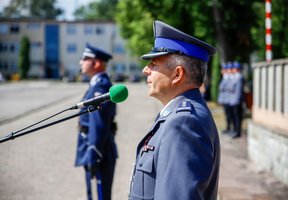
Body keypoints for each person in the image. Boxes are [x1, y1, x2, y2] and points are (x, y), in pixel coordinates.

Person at [128, 20, 220, 200]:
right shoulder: (179, 114)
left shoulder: (184, 123)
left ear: (177, 74)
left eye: (154, 64)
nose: (146, 70)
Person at [75, 43, 118, 200]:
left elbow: (98, 125)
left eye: (84, 58)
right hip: (97, 150)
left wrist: (93, 156)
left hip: (98, 153)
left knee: (98, 196)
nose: (81, 62)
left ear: (96, 63)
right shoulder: (97, 85)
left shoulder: (100, 88)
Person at [228, 61, 244, 138]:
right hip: (232, 100)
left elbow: (238, 91)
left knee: (237, 117)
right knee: (234, 116)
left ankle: (238, 131)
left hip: (236, 101)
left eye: (234, 68)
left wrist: (236, 101)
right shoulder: (235, 77)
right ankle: (234, 130)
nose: (232, 70)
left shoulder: (239, 78)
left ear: (237, 69)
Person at [217, 63, 233, 134]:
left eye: (223, 69)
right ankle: (228, 128)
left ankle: (230, 128)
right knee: (227, 115)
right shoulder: (225, 77)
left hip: (229, 99)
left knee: (230, 115)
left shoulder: (229, 78)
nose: (222, 71)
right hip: (225, 99)